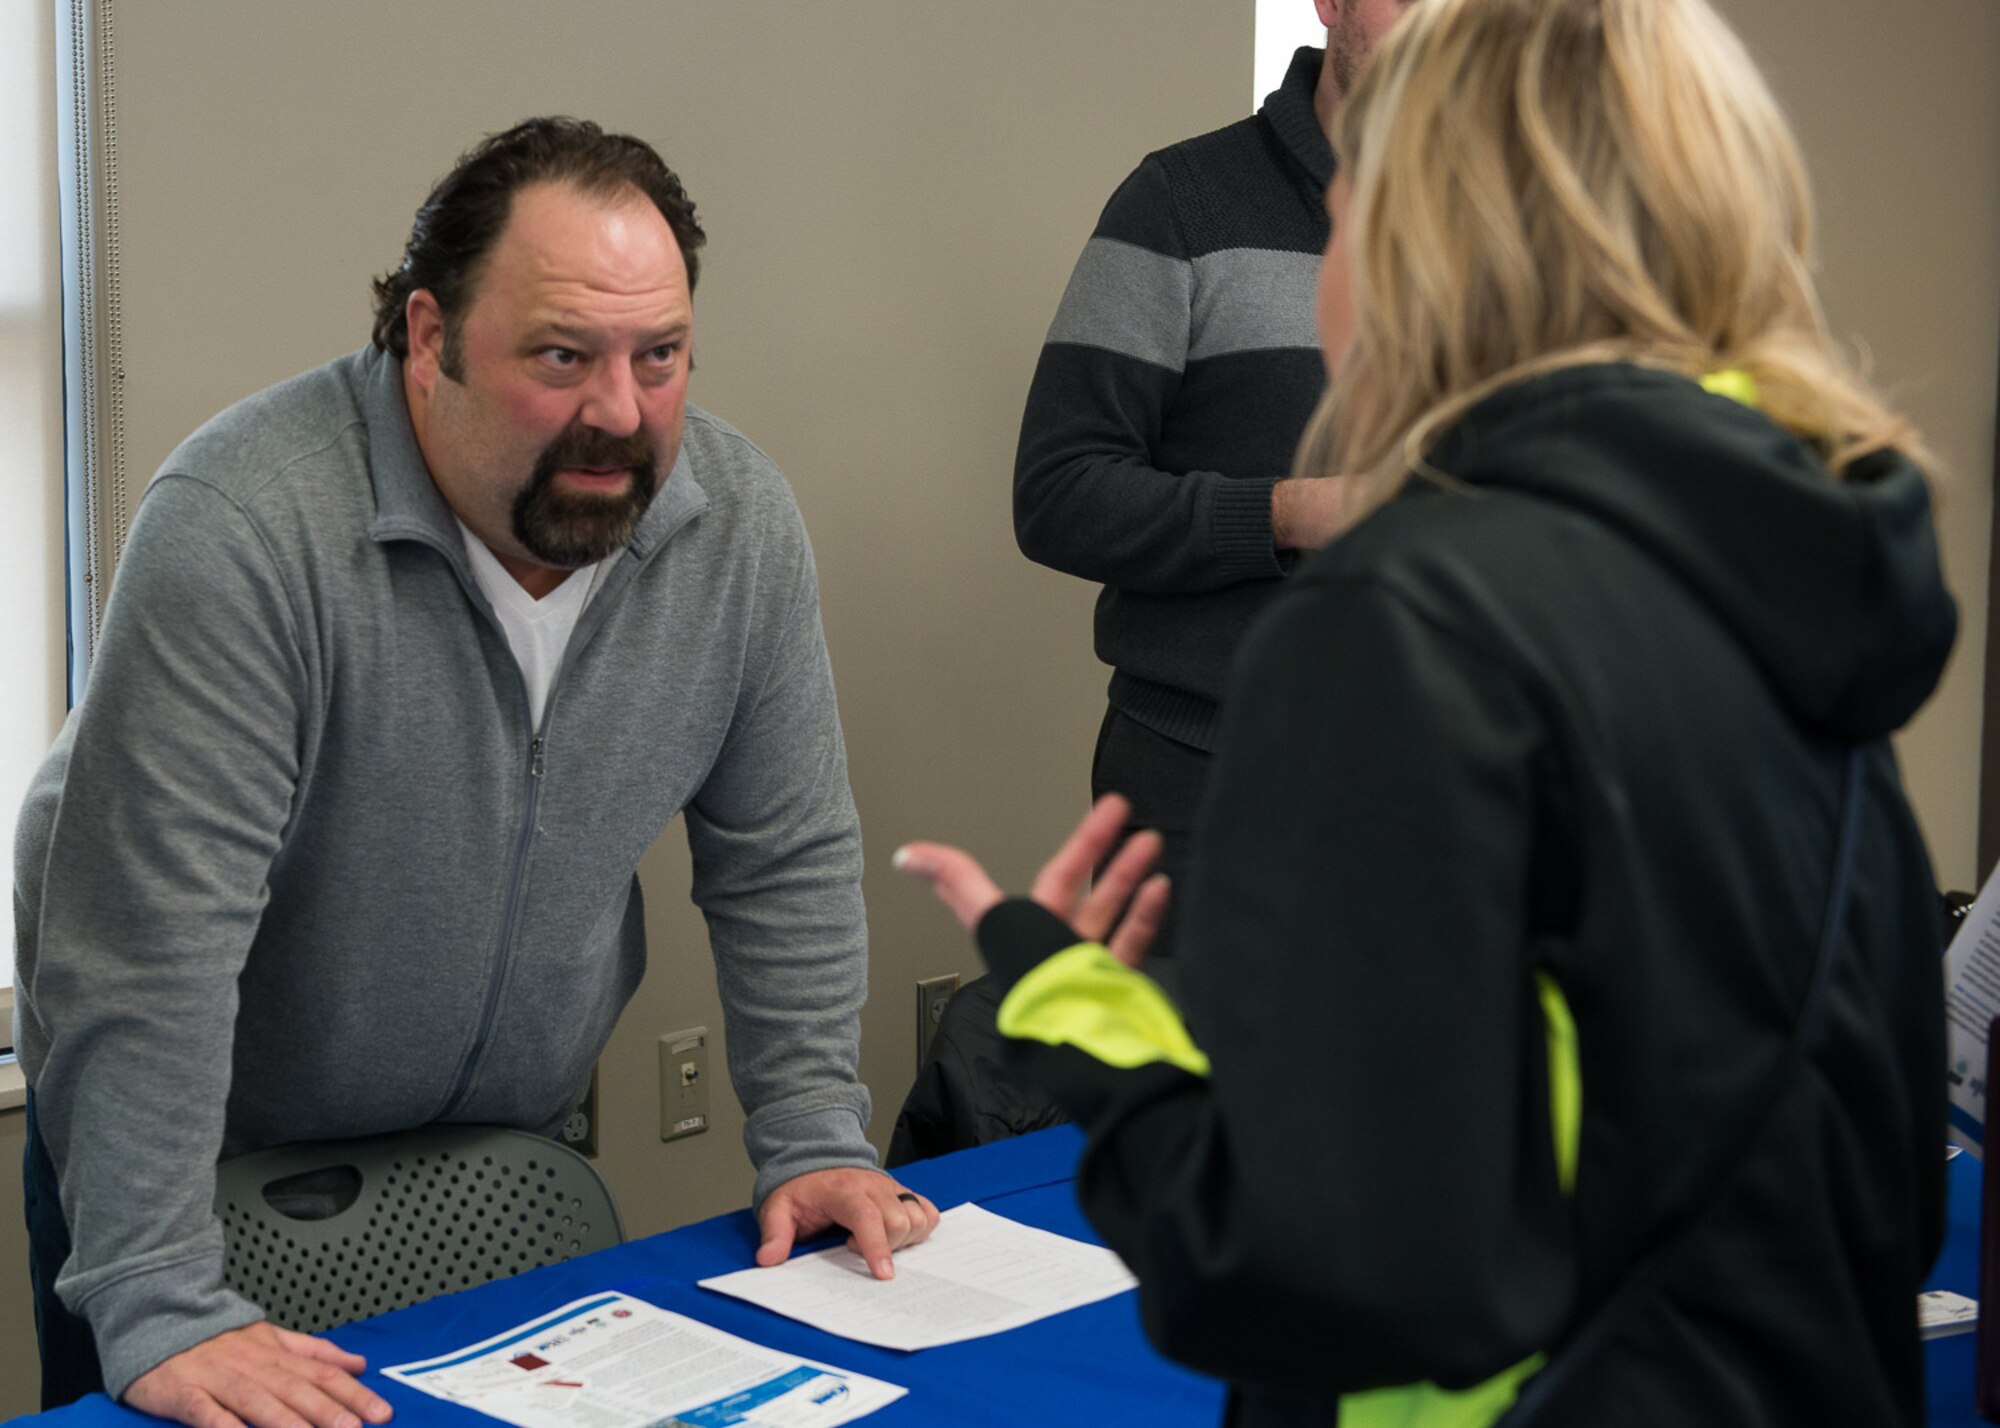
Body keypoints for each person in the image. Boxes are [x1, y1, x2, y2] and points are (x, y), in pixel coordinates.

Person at [899, 0, 1956, 1422]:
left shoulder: (1406, 622)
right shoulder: (1811, 567)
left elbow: (1297, 1272)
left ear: (1416, 240)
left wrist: (1081, 1022)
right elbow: (1881, 1176)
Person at [13, 117, 938, 1427]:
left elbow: (782, 857)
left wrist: (815, 1135)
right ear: (431, 336)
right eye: (563, 356)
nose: (619, 413)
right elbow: (147, 954)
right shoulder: (244, 532)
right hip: (192, 1158)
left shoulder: (735, 529)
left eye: (659, 356)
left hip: (512, 1136)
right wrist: (159, 1299)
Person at [1012, 1, 1414, 961]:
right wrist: (1293, 511)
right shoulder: (1180, 203)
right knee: (1192, 1103)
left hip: (1444, 778)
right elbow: (1058, 493)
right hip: (1204, 780)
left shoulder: (1517, 228)